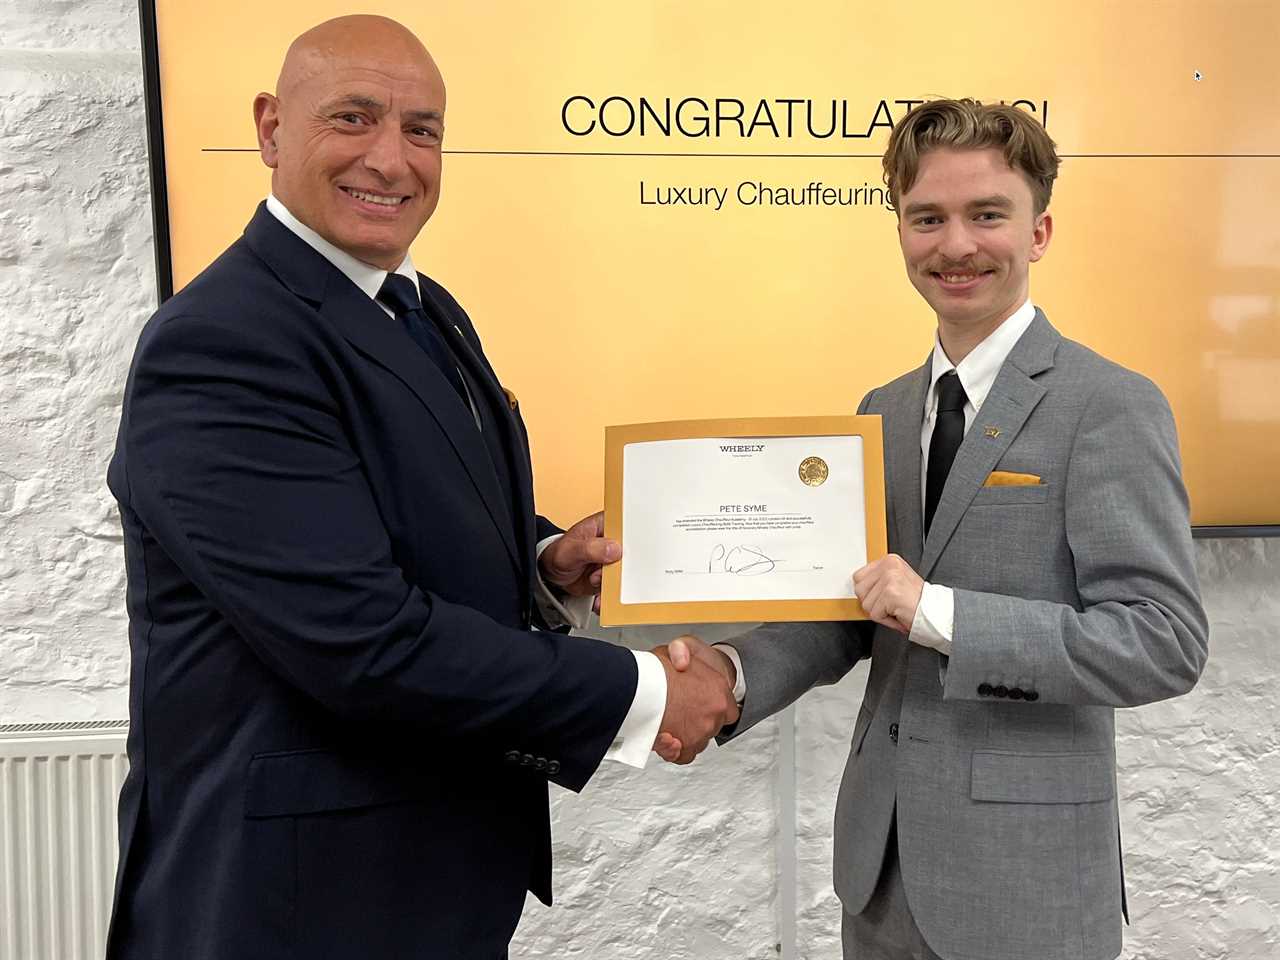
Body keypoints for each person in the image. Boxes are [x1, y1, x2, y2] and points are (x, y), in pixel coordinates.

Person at [105, 15, 735, 960]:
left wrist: (543, 558)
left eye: (422, 129)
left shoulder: (420, 306)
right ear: (272, 129)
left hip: (421, 872)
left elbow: (400, 505)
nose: (393, 160)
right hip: (292, 904)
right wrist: (646, 695)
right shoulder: (225, 343)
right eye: (353, 119)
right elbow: (360, 640)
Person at [657, 99, 1208, 960]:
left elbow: (1162, 642)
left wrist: (941, 615)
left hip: (1024, 880)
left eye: (987, 214)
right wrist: (726, 676)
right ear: (902, 233)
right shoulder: (883, 411)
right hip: (878, 872)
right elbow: (848, 611)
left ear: (1040, 231)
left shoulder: (1109, 404)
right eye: (928, 218)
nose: (955, 245)